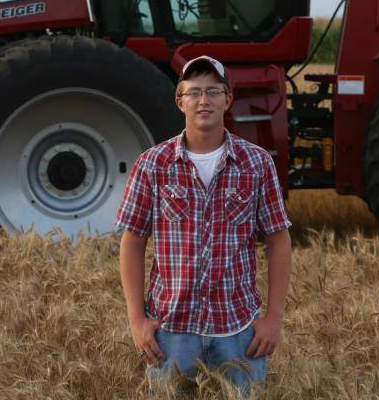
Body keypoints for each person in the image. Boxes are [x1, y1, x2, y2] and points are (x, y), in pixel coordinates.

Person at [115, 55, 292, 397]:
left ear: (228, 99)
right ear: (180, 100)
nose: (203, 100)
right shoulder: (153, 164)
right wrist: (137, 320)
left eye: (213, 91)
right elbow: (132, 240)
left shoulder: (257, 164)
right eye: (194, 92)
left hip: (239, 332)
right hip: (171, 332)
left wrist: (273, 319)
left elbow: (278, 240)